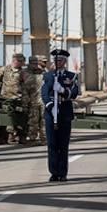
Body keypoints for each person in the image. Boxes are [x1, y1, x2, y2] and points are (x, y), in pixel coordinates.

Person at [42, 49, 79, 182]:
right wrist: (50, 107)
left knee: (63, 145)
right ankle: (53, 172)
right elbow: (44, 93)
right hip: (51, 113)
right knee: (52, 144)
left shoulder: (72, 76)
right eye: (56, 60)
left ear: (65, 61)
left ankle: (62, 172)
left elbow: (74, 93)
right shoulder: (47, 76)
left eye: (61, 60)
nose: (58, 62)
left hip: (64, 112)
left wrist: (63, 90)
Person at [0, 52, 27, 143]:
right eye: (21, 61)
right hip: (5, 97)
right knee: (8, 116)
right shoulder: (5, 69)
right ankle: (9, 135)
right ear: (15, 61)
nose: (22, 63)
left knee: (20, 116)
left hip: (18, 97)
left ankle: (21, 136)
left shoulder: (23, 72)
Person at [24, 56, 46, 146]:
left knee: (44, 121)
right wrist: (25, 102)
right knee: (33, 121)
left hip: (43, 101)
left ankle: (43, 138)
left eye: (36, 64)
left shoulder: (42, 72)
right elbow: (25, 90)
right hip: (34, 101)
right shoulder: (27, 74)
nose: (36, 66)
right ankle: (32, 138)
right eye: (33, 64)